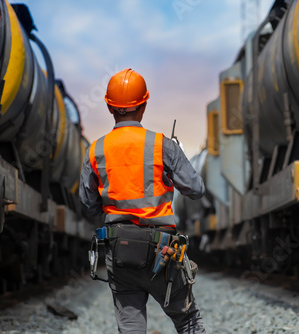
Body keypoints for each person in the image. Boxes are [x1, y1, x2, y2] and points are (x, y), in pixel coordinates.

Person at [79, 68, 206, 333]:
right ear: (143, 106)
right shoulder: (163, 146)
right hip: (163, 251)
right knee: (187, 320)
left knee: (131, 326)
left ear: (110, 108)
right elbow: (196, 189)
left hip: (120, 250)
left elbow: (88, 205)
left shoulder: (96, 150)